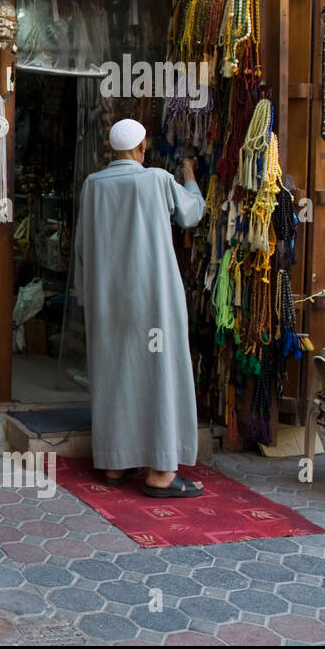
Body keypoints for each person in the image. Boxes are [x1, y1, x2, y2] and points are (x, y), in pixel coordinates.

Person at [74, 119, 207, 498]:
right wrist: (190, 176)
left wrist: (86, 296)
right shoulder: (156, 179)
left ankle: (116, 462)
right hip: (152, 299)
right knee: (158, 373)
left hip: (107, 301)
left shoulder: (93, 184)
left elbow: (83, 246)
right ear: (141, 148)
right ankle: (162, 472)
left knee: (116, 372)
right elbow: (191, 213)